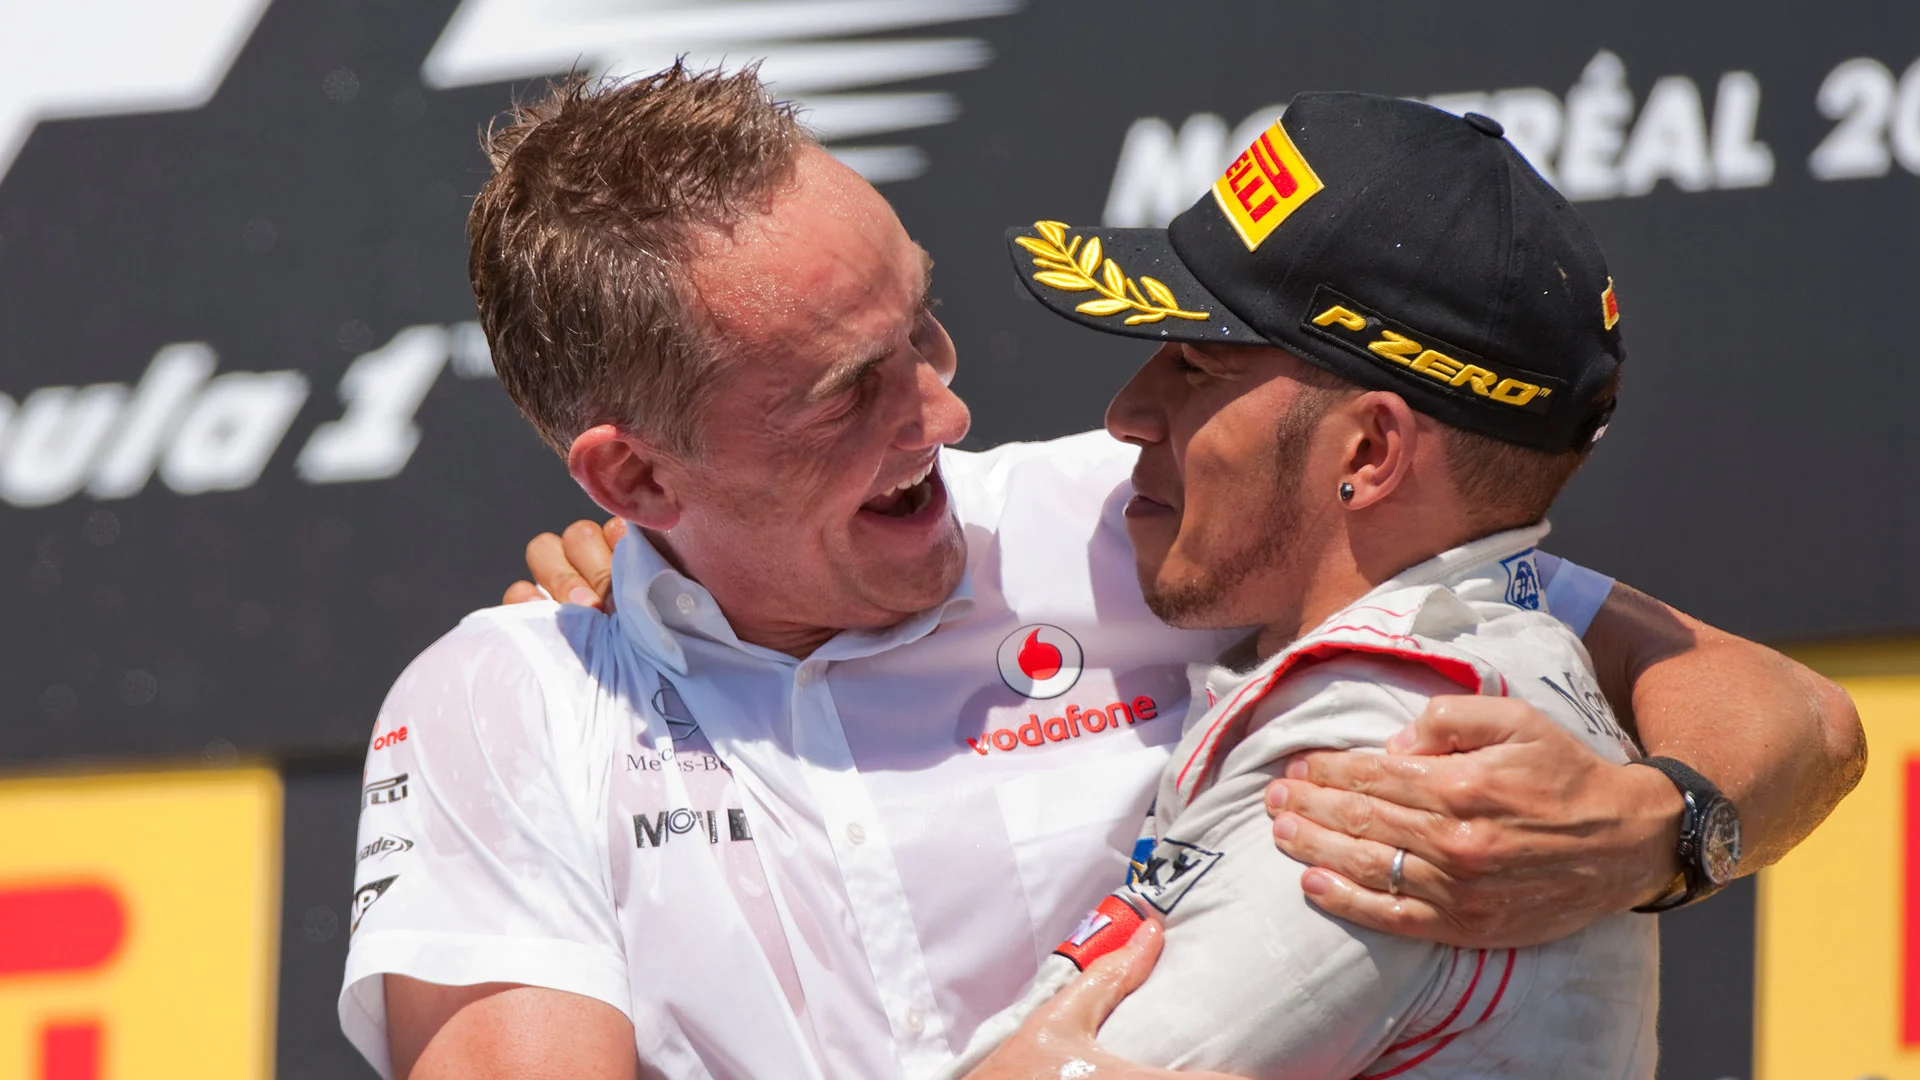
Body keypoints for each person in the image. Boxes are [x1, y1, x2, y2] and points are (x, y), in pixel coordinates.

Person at [344, 64, 1860, 1080]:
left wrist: (1665, 830)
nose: (945, 409)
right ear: (636, 478)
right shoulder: (518, 699)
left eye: (922, 329)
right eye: (847, 391)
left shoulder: (1129, 521)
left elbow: (1785, 711)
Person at [946, 91, 1662, 1079]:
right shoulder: (1467, 663)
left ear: (1369, 450)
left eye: (1195, 368)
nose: (1126, 413)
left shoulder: (1401, 745)